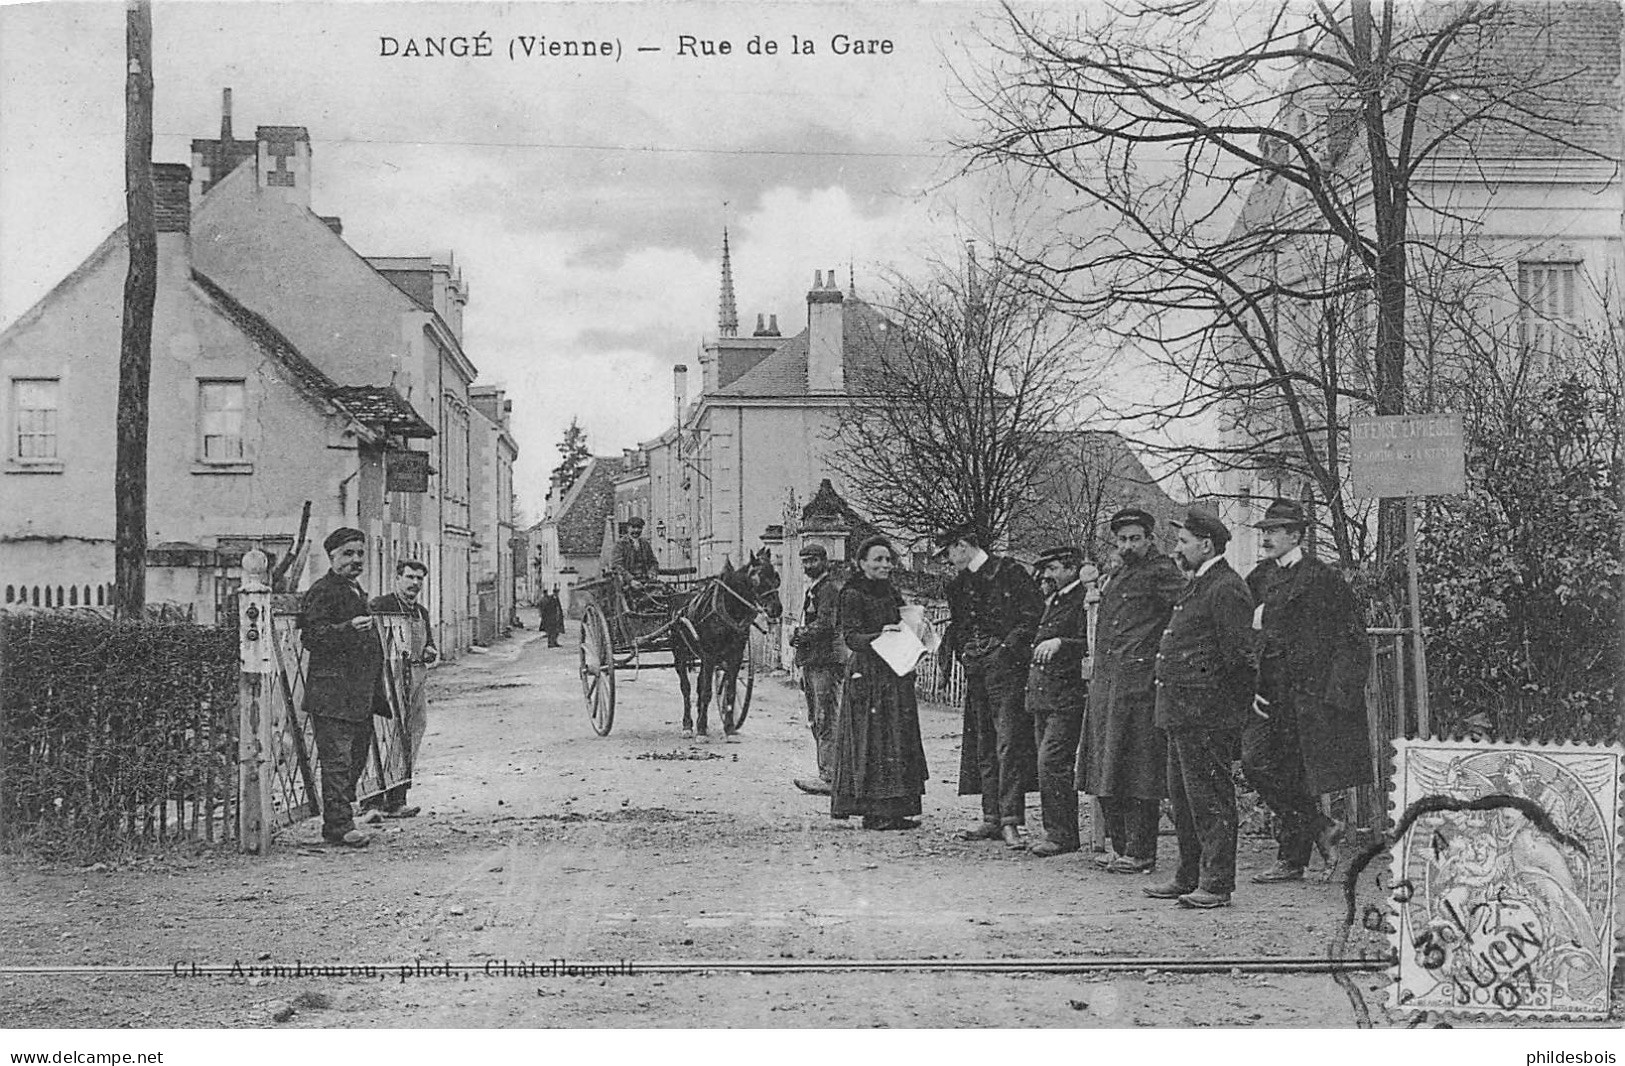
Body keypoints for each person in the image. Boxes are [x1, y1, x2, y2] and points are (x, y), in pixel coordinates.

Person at [1242, 499, 1372, 883]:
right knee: (1257, 762)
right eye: (1264, 530)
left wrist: (1339, 694)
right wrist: (1249, 682)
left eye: (1275, 530)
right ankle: (1320, 825)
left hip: (1310, 694)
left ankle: (1291, 859)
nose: (1266, 537)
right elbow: (1243, 633)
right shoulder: (1260, 577)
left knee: (1295, 772)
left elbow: (1352, 637)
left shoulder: (1321, 577)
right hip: (1270, 693)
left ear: (1296, 535)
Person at [1144, 506, 1255, 909]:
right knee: (1184, 799)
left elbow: (1239, 658)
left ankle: (1217, 883)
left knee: (1209, 798)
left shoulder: (1225, 587)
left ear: (1206, 545)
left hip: (1205, 713)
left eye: (1184, 542)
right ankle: (1188, 875)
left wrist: (1227, 711)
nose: (1178, 549)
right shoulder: (1201, 583)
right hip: (1181, 712)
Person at [1078, 506, 1186, 874]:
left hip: (1140, 687)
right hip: (1109, 686)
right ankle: (1121, 847)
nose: (1128, 545)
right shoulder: (1117, 572)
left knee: (1140, 770)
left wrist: (1158, 659)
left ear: (1149, 539)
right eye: (1122, 539)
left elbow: (1183, 615)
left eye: (1135, 539)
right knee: (1107, 767)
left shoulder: (1163, 572)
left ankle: (1141, 852)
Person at [939, 523, 1043, 850]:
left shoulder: (1010, 572)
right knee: (983, 743)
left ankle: (1012, 820)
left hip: (1008, 670)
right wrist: (961, 654)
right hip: (976, 671)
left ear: (963, 545)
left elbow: (1033, 617)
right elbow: (959, 625)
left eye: (948, 551)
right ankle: (991, 817)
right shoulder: (958, 585)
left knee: (1009, 742)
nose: (947, 559)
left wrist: (1006, 650)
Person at [829, 537, 929, 830]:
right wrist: (879, 635)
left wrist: (917, 629)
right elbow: (852, 638)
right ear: (862, 563)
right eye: (878, 560)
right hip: (868, 676)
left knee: (897, 741)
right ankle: (874, 812)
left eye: (888, 560)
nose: (885, 565)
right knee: (873, 743)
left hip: (894, 674)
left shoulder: (890, 592)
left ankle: (895, 811)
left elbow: (902, 625)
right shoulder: (852, 594)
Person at [300, 527, 390, 848]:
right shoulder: (324, 590)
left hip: (357, 694)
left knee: (355, 759)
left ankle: (341, 817)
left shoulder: (355, 590)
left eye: (360, 553)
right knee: (337, 761)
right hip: (332, 694)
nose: (356, 560)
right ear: (332, 557)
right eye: (348, 554)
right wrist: (347, 628)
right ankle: (339, 826)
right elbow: (311, 636)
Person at [1025, 545, 1092, 857]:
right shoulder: (1055, 599)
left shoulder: (1084, 600)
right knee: (1047, 762)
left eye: (1052, 569)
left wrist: (1061, 642)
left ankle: (1062, 834)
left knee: (1052, 762)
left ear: (1070, 568)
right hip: (1044, 695)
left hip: (1067, 695)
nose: (1047, 575)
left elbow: (1090, 643)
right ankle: (1057, 831)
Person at [367, 559, 439, 820]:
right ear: (397, 578)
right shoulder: (380, 606)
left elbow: (429, 643)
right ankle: (372, 801)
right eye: (409, 577)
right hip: (388, 679)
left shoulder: (421, 612)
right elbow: (370, 644)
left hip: (417, 678)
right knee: (384, 738)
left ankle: (398, 799)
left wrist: (430, 650)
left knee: (411, 736)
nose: (415, 583)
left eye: (419, 579)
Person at [790, 543, 844, 796]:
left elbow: (826, 625)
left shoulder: (829, 590)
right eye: (805, 562)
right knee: (816, 718)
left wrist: (800, 634)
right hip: (812, 662)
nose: (808, 566)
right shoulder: (814, 589)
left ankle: (830, 776)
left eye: (812, 561)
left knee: (826, 718)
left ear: (825, 561)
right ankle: (827, 772)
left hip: (825, 662)